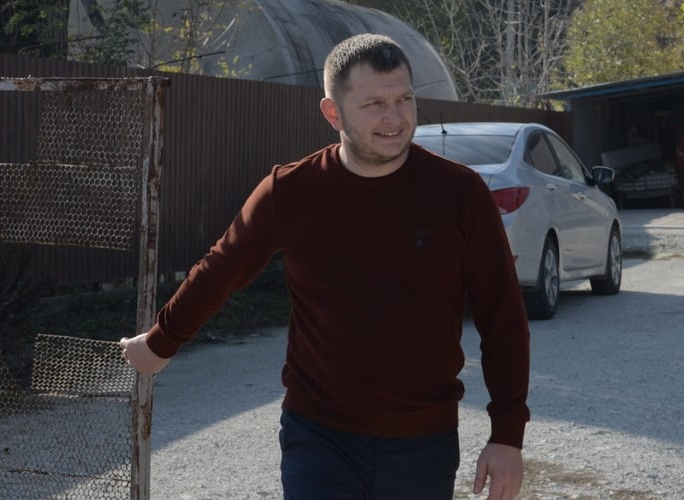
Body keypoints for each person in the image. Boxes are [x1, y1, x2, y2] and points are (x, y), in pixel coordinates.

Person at [120, 33, 530, 500]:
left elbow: (503, 318)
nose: (395, 118)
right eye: (374, 103)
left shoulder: (460, 194)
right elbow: (222, 268)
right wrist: (161, 341)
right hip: (319, 438)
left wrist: (506, 436)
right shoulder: (291, 192)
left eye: (404, 99)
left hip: (424, 444)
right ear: (333, 113)